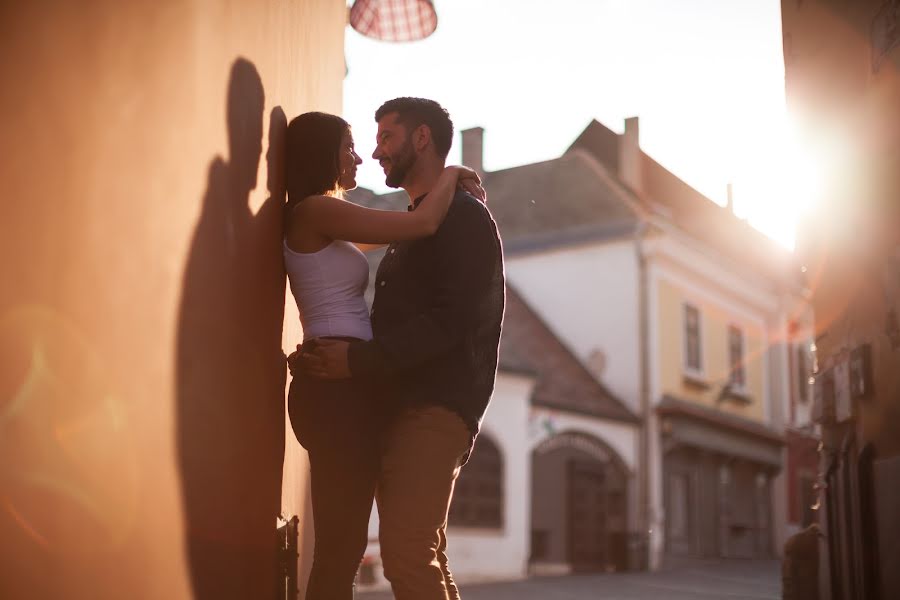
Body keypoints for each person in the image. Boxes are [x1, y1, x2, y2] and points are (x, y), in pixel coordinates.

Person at [299, 98, 505, 600]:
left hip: (436, 406)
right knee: (422, 552)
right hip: (398, 403)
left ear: (421, 138)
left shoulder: (463, 218)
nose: (375, 152)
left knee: (408, 553)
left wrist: (359, 360)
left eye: (386, 138)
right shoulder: (415, 221)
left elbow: (452, 320)